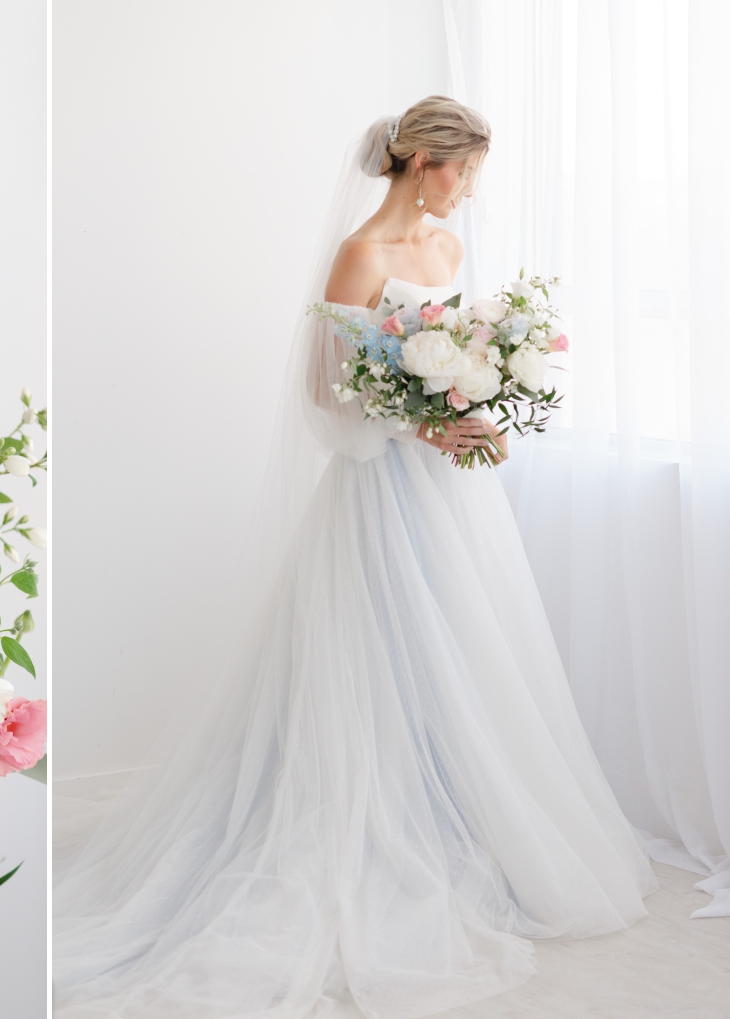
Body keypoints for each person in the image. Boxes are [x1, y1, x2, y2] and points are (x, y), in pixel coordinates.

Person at [52, 96, 655, 1019]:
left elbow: (454, 351)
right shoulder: (359, 257)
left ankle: (457, 824)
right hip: (379, 491)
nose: (470, 192)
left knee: (459, 658)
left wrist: (476, 406)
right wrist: (427, 421)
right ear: (422, 162)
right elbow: (328, 398)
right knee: (377, 662)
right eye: (465, 171)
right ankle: (360, 831)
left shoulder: (448, 254)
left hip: (455, 496)